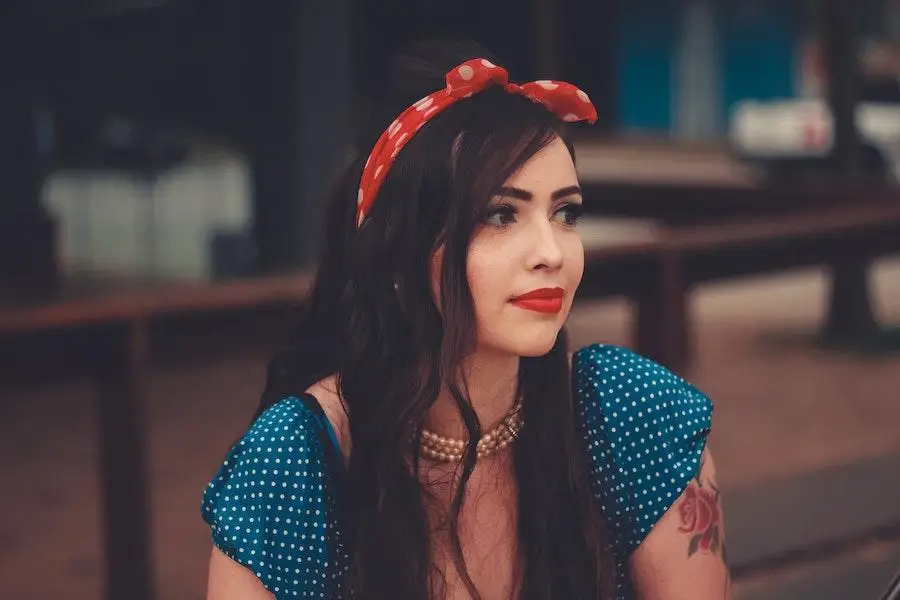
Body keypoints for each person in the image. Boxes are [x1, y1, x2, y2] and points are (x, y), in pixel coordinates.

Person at [202, 38, 730, 600]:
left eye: (565, 213)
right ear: (399, 252)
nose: (551, 251)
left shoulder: (625, 414)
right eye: (502, 215)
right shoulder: (297, 461)